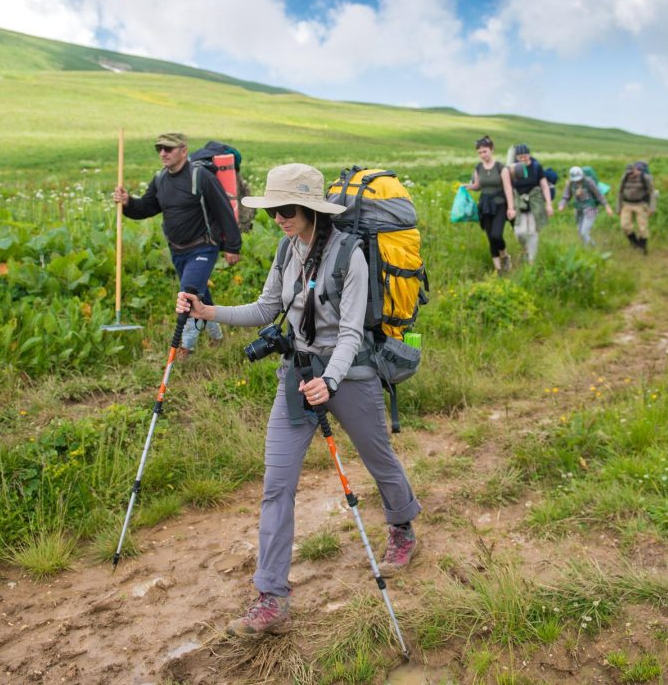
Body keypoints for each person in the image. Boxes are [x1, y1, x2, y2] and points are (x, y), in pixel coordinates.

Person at [175, 164, 422, 637]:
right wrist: (210, 311)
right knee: (276, 483)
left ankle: (402, 527)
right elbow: (268, 308)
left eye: (287, 210)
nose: (280, 218)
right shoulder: (287, 250)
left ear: (310, 208)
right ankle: (271, 596)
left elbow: (351, 333)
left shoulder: (350, 256)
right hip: (298, 371)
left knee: (379, 459)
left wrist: (329, 381)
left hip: (350, 373)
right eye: (273, 211)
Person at [114, 132, 242, 358]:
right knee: (198, 292)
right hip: (178, 250)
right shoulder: (160, 179)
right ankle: (217, 336)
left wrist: (233, 246)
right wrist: (128, 203)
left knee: (188, 294)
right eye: (160, 149)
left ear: (183, 150)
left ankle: (186, 346)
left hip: (203, 246)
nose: (163, 153)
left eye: (168, 148)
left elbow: (223, 210)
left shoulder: (200, 176)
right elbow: (147, 207)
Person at [462, 135, 515, 272]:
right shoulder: (478, 167)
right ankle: (498, 270)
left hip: (500, 204)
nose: (482, 155)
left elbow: (508, 188)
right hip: (485, 205)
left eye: (484, 151)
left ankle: (505, 256)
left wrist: (510, 207)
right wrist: (469, 186)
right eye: (479, 152)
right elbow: (478, 185)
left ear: (491, 150)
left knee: (496, 235)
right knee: (490, 237)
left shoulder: (501, 167)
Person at [509, 143, 553, 264]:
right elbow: (508, 187)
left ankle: (531, 260)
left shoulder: (536, 167)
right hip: (519, 203)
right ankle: (525, 248)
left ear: (529, 154)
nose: (523, 158)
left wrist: (549, 204)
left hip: (535, 202)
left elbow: (544, 186)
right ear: (516, 157)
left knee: (533, 232)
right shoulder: (512, 168)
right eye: (520, 157)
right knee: (519, 232)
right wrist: (510, 206)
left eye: (525, 156)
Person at [558, 166, 613, 247]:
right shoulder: (571, 183)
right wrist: (562, 204)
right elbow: (566, 196)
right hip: (578, 209)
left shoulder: (589, 182)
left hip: (590, 208)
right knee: (580, 233)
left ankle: (591, 249)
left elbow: (599, 195)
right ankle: (588, 248)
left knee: (584, 232)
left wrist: (607, 206)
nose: (577, 181)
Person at [616, 161, 655, 254]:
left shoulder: (644, 178)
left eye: (632, 173)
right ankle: (635, 243)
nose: (630, 175)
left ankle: (643, 249)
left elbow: (652, 192)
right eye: (628, 173)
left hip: (641, 204)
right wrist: (618, 207)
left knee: (643, 228)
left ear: (636, 170)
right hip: (627, 204)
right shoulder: (625, 177)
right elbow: (620, 192)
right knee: (625, 226)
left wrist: (652, 207)